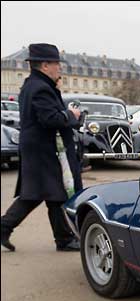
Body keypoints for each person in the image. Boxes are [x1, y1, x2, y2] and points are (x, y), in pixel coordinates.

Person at [1, 43, 82, 252]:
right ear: (45, 65)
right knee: (48, 192)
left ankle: (62, 238)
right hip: (42, 149)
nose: (60, 68)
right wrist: (71, 116)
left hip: (38, 148)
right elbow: (50, 119)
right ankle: (63, 239)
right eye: (57, 64)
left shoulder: (33, 85)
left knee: (45, 192)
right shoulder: (40, 88)